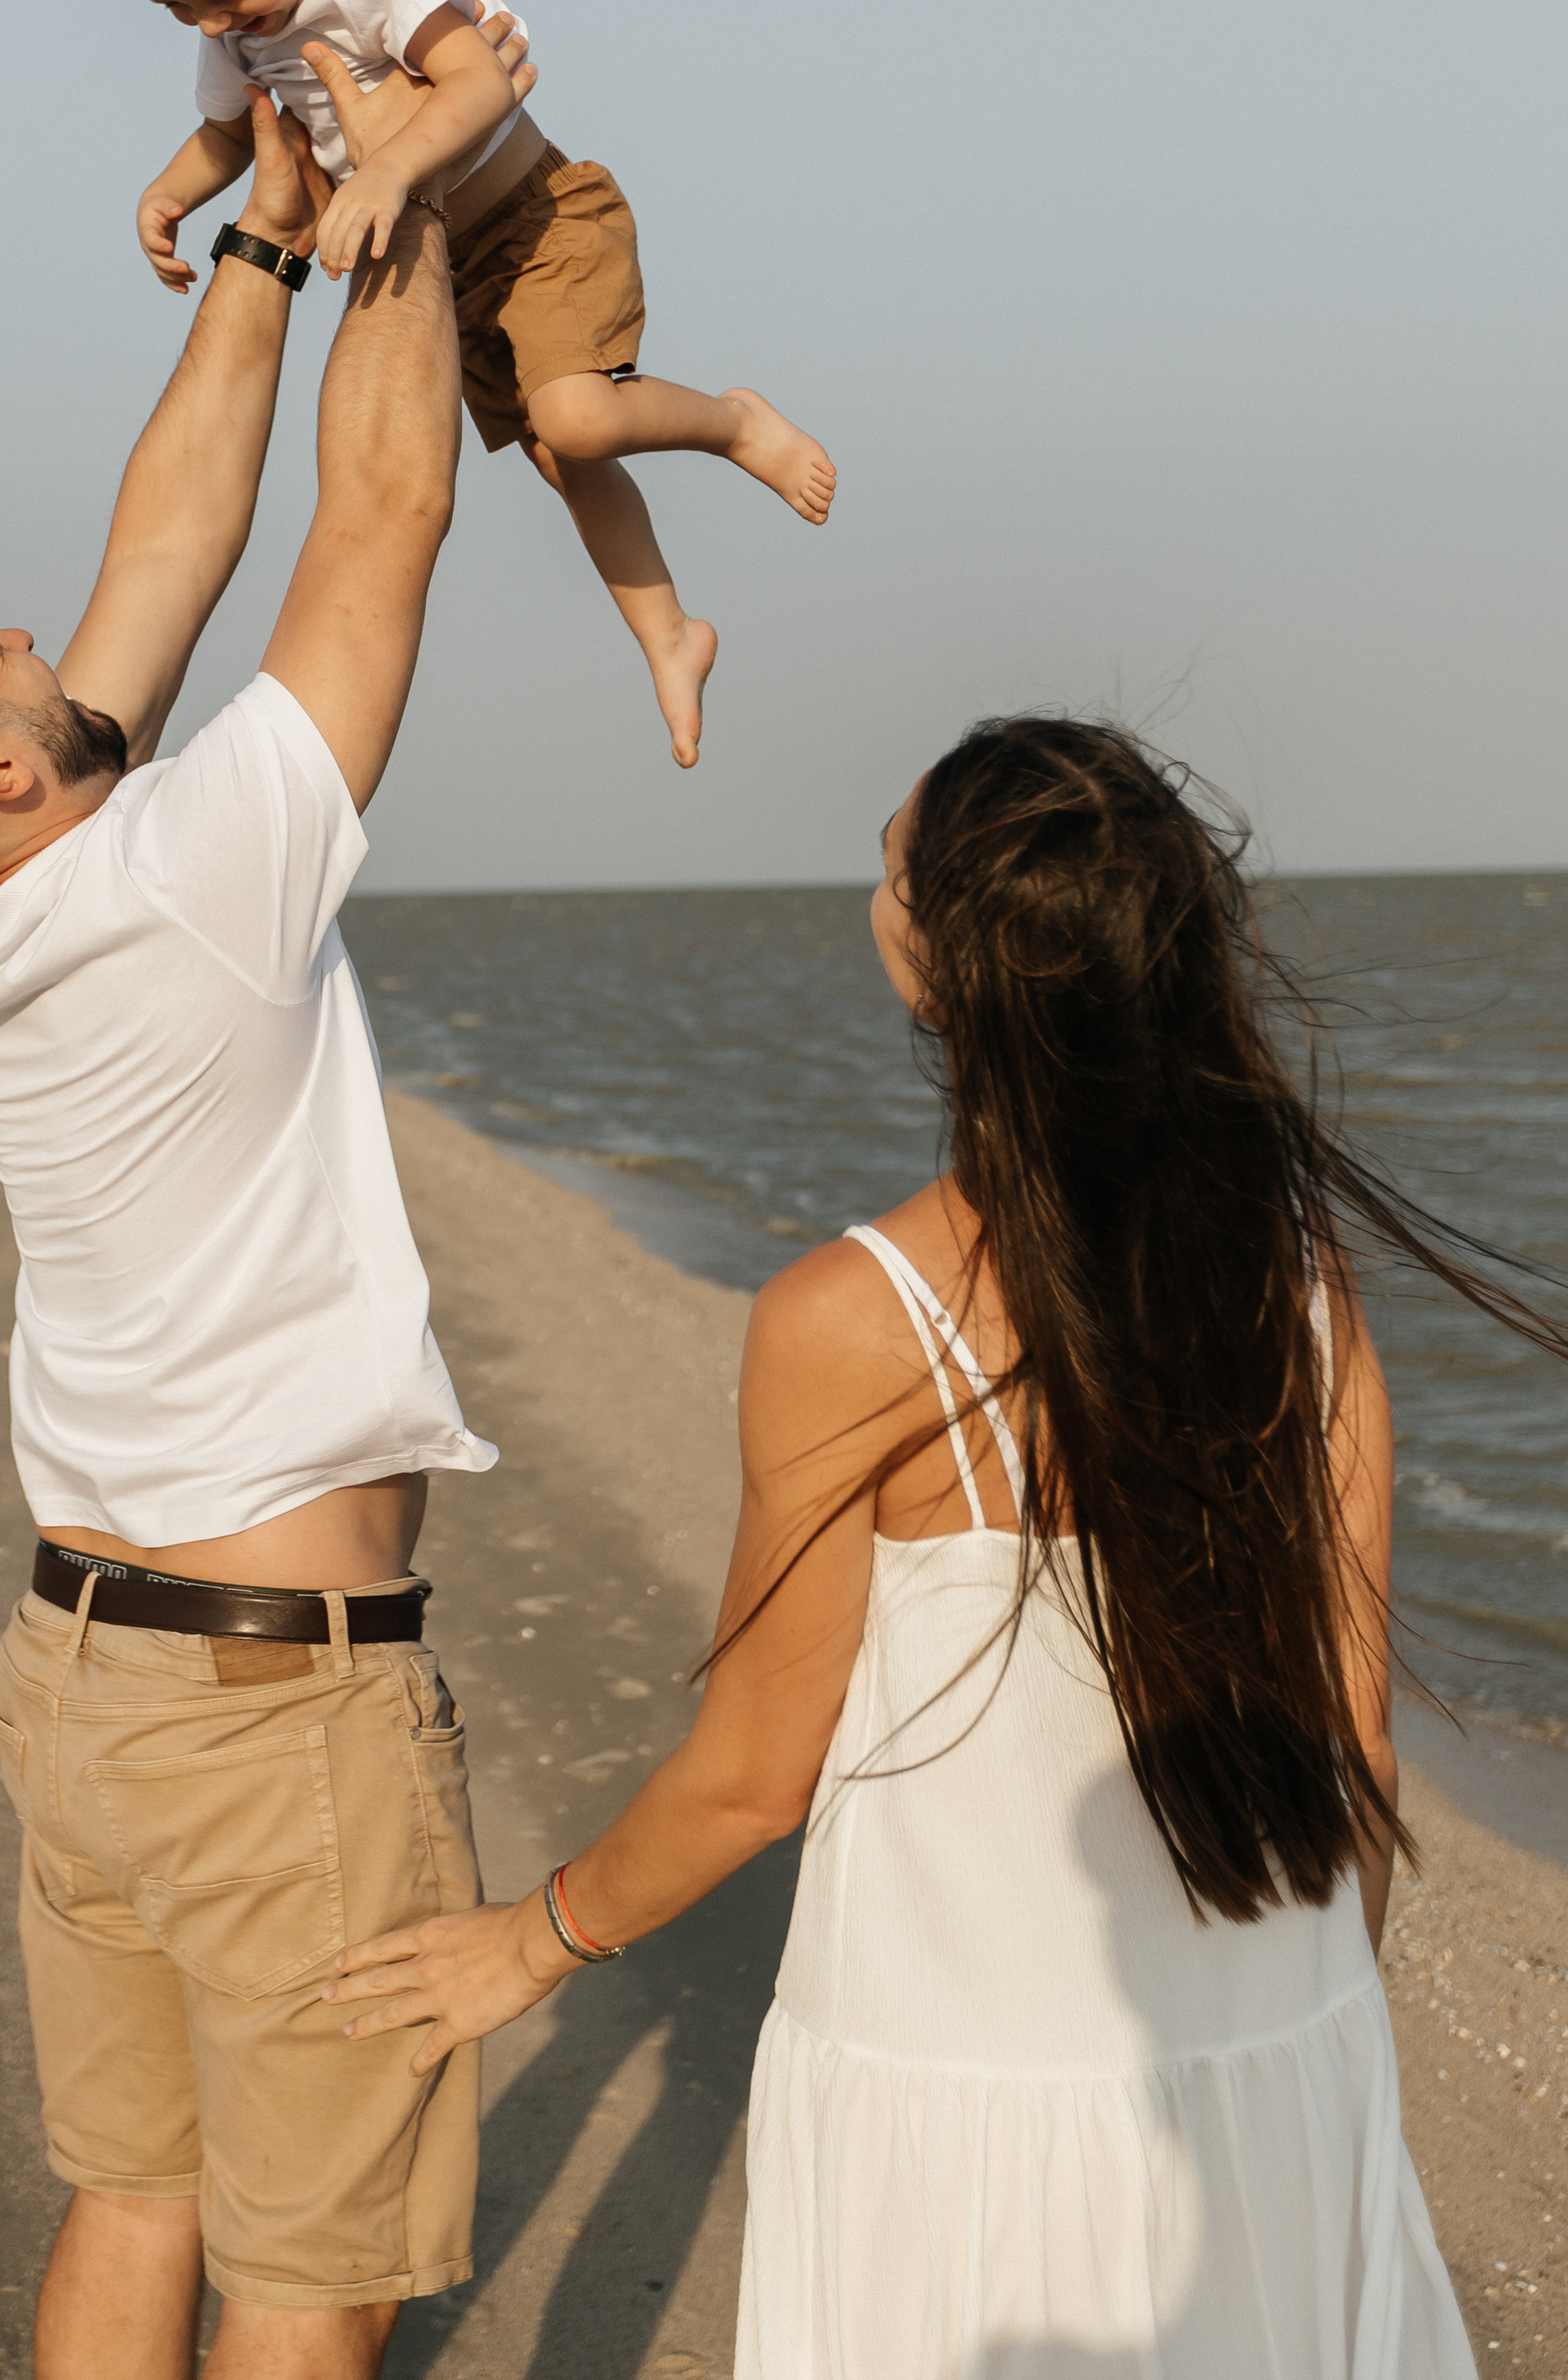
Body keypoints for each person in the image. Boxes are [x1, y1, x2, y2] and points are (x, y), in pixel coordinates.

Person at [327, 715, 1558, 2375]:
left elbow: (759, 1772)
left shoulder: (856, 1317)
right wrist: (1308, 2041)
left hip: (964, 2094)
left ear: (944, 974)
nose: (873, 884)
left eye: (887, 865)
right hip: (1286, 2050)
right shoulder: (1295, 1277)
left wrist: (527, 1943)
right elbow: (1356, 1745)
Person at [0, 34, 527, 2380]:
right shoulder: (195, 877)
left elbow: (171, 539)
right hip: (267, 1715)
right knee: (307, 2273)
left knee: (133, 2204)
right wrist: (409, 187)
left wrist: (275, 236)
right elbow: (371, 530)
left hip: (86, 1682)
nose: (39, 628)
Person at [74, 0, 837, 772]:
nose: (211, 24)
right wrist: (170, 193)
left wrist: (385, 175)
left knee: (574, 417)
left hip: (535, 220)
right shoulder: (238, 19)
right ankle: (668, 637)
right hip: (446, 274)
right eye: (176, 9)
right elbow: (230, 131)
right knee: (571, 459)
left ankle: (733, 420)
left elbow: (482, 80)